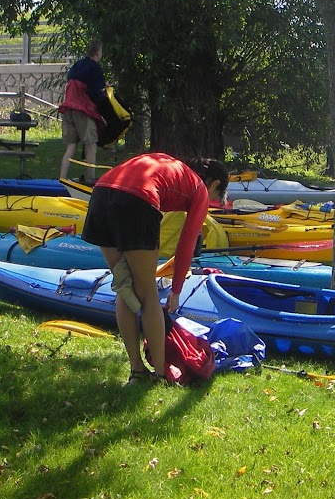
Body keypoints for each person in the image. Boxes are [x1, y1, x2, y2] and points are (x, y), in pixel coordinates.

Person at [81, 153, 229, 383]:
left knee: (125, 286)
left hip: (101, 193)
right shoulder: (199, 188)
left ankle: (137, 371)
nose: (209, 203)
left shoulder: (173, 168)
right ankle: (160, 374)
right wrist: (176, 290)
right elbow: (187, 244)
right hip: (136, 199)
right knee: (148, 293)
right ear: (215, 184)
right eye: (215, 198)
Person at [58, 39, 106, 183]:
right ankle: (90, 179)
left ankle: (62, 178)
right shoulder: (95, 68)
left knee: (71, 147)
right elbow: (96, 93)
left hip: (68, 109)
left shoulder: (77, 65)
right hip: (82, 110)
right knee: (91, 145)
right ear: (98, 53)